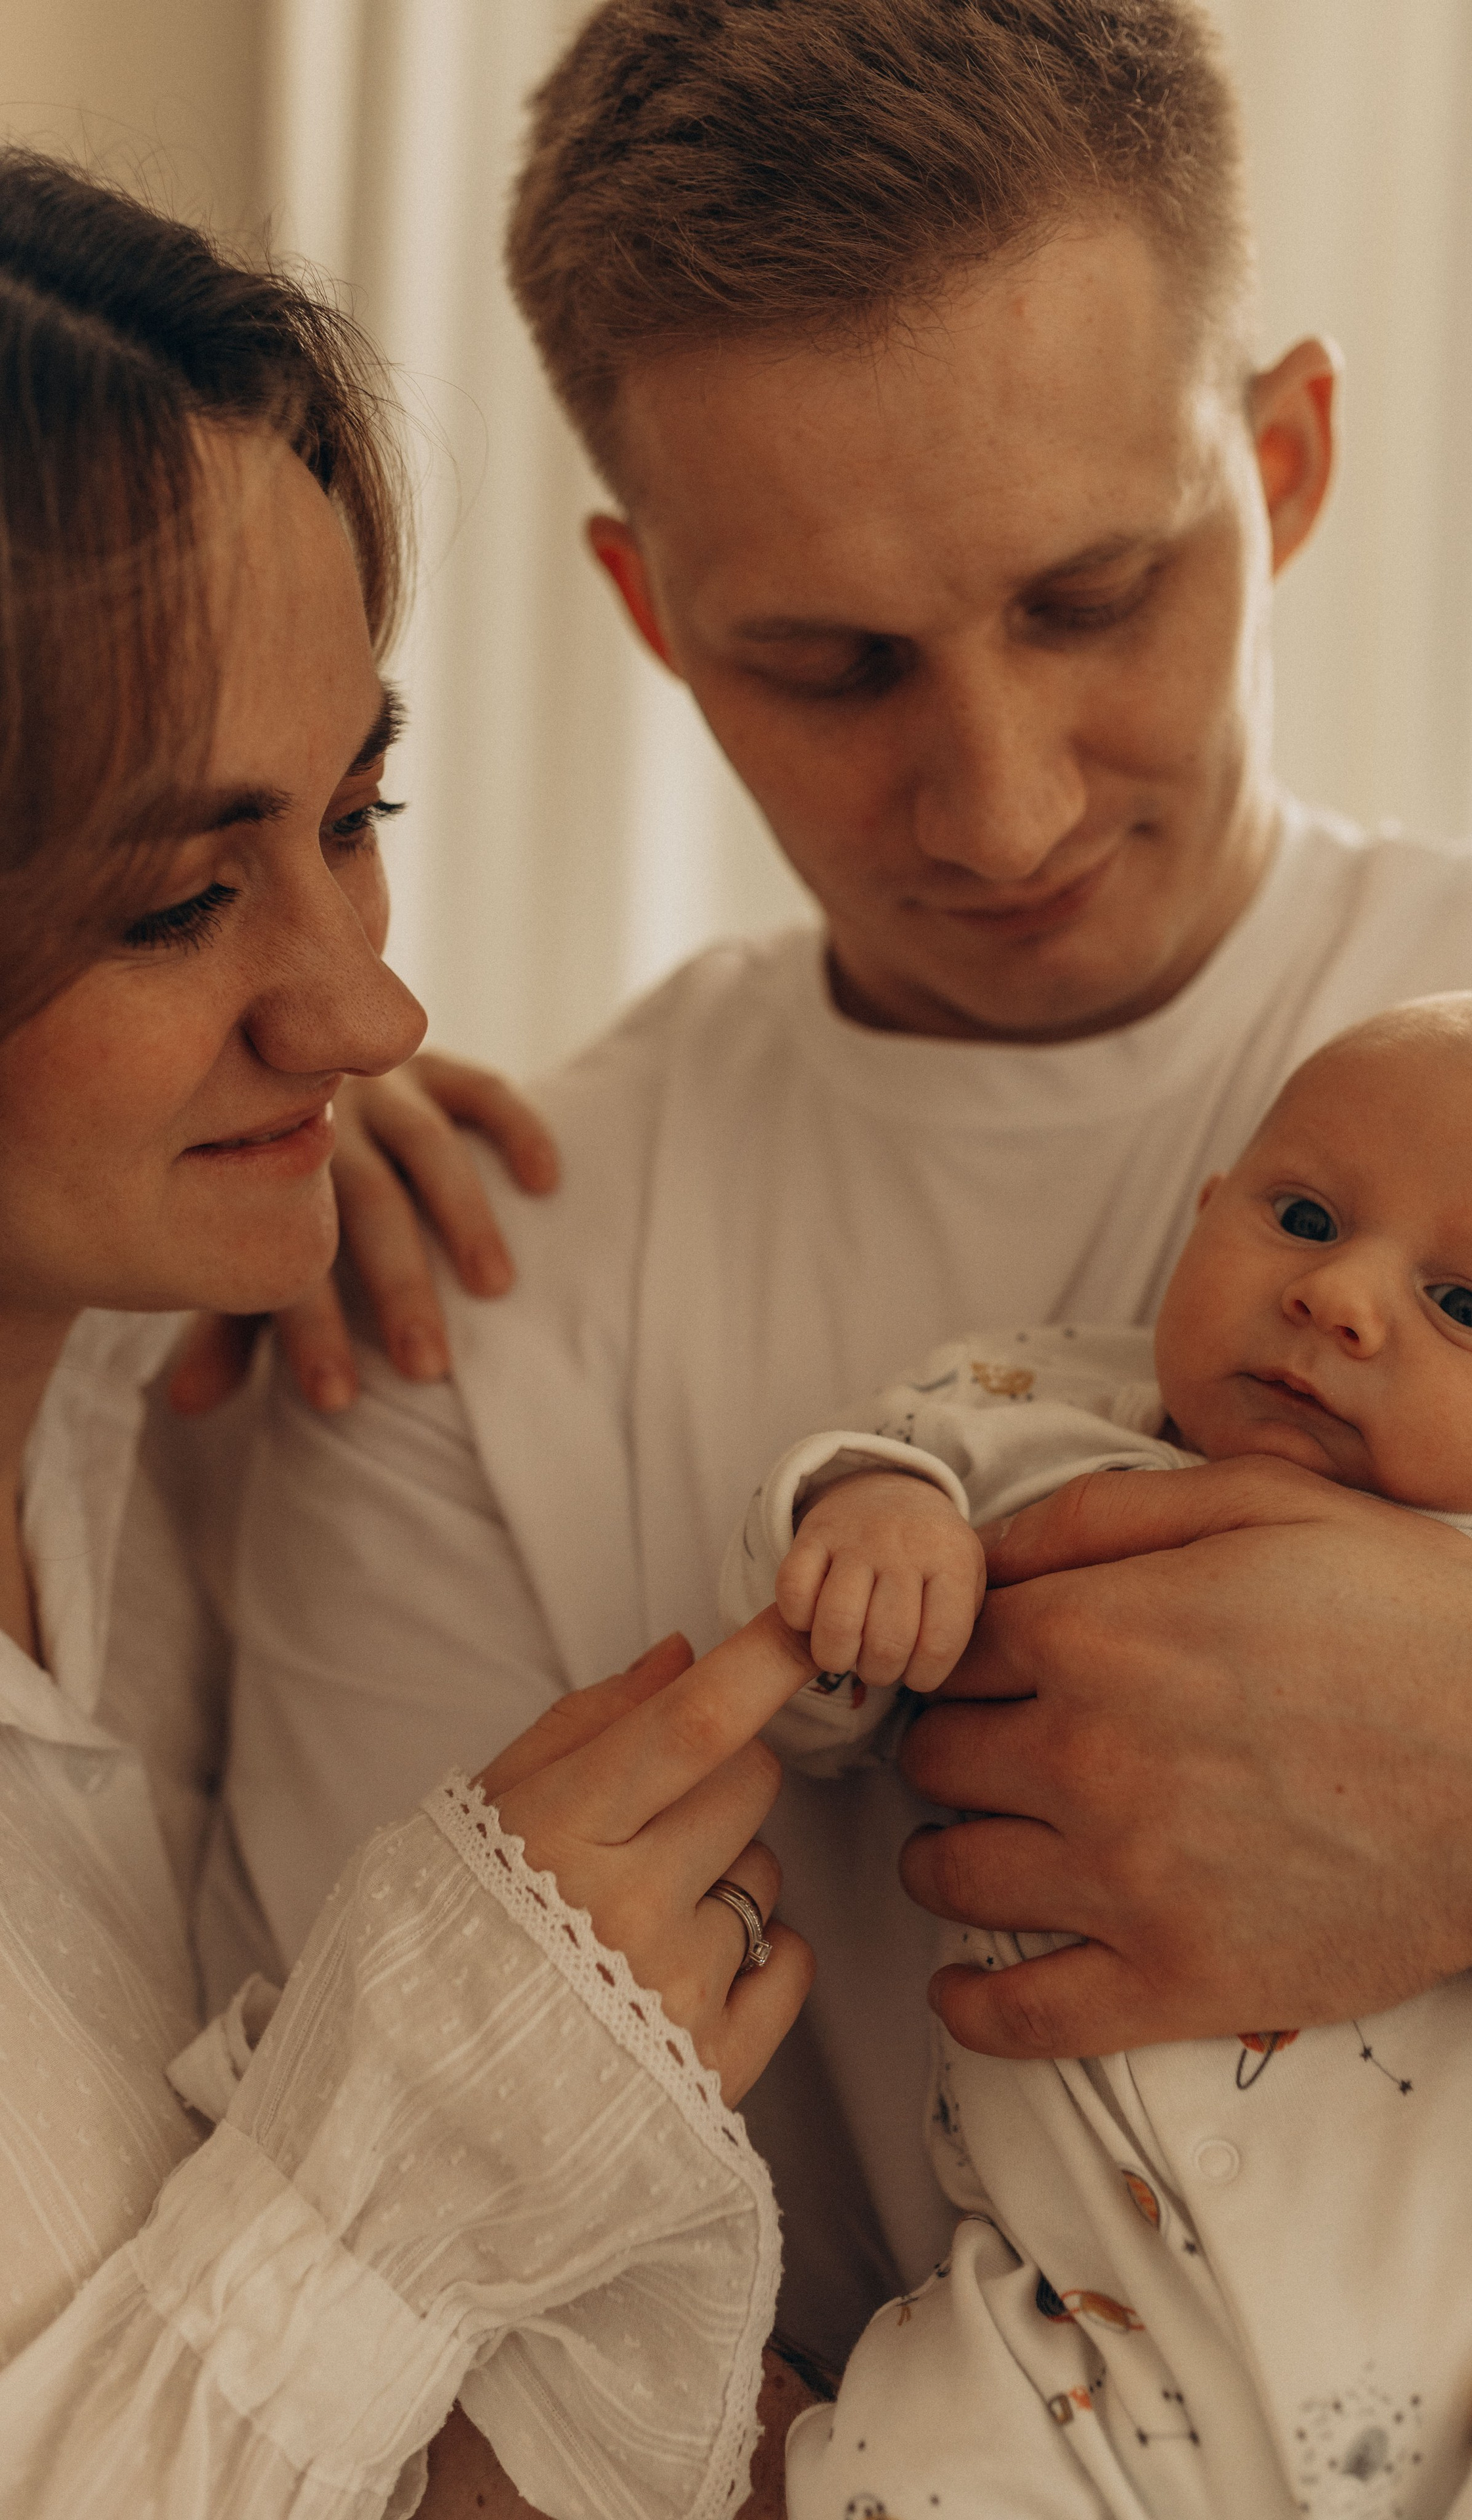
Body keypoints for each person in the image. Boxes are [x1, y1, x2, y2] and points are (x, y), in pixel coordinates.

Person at [222, 0, 1472, 2374]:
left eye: (1091, 600)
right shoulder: (465, 1296)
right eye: (829, 665)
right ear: (652, 614)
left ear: (1287, 463)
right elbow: (426, 2323)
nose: (1001, 806)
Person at [0, 150, 818, 2520]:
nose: (373, 1010)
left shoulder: (196, 1403)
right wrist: (414, 2147)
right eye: (179, 901)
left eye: (358, 811)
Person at [725, 992, 1472, 2516]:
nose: (1337, 1296)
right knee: (908, 2469)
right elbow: (809, 1699)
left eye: (1463, 1305)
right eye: (1301, 1218)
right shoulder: (1032, 1426)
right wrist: (872, 1528)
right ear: (1205, 1209)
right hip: (1091, 2319)